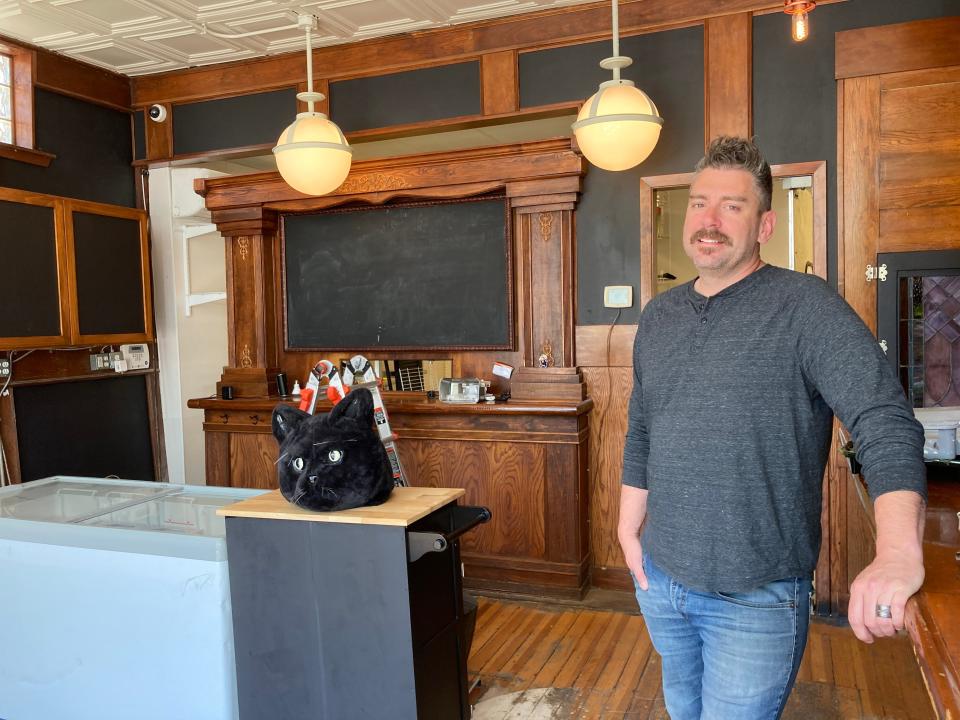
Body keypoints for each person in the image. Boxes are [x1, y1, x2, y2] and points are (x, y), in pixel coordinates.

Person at [618, 136, 926, 720]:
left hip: (756, 597)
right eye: (699, 202)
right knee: (683, 711)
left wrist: (895, 552)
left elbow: (885, 422)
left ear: (764, 224)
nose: (709, 221)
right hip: (661, 577)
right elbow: (643, 427)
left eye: (731, 206)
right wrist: (628, 527)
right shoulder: (659, 316)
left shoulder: (807, 308)